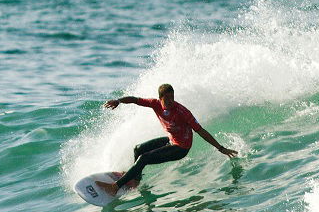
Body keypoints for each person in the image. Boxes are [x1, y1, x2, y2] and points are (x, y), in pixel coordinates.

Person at [97, 83, 237, 195]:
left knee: (144, 158)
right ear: (160, 98)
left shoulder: (183, 112)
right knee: (138, 149)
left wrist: (221, 148)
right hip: (171, 140)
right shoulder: (154, 103)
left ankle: (115, 187)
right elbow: (135, 100)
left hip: (181, 148)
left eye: (172, 98)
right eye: (167, 99)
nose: (171, 101)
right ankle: (135, 179)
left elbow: (201, 131)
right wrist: (118, 101)